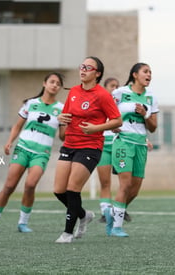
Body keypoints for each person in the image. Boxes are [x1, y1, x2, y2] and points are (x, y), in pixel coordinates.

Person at [0, 72, 66, 233]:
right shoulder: (31, 104)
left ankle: (23, 223)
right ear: (44, 83)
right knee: (9, 186)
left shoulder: (61, 109)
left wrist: (66, 124)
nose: (55, 85)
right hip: (22, 148)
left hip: (41, 153)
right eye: (52, 81)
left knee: (30, 185)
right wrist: (9, 142)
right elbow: (17, 126)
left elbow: (63, 137)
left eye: (58, 83)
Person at [53, 56, 122, 243]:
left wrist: (96, 128)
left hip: (90, 147)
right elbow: (65, 117)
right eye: (81, 66)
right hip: (70, 144)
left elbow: (117, 120)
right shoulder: (74, 91)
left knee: (72, 189)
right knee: (59, 191)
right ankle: (84, 215)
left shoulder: (102, 95)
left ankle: (67, 233)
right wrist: (61, 120)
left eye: (88, 68)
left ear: (97, 74)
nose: (83, 70)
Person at [104, 62, 159, 237]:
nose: (149, 74)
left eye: (150, 72)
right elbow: (106, 113)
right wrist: (109, 125)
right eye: (145, 71)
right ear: (135, 75)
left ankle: (112, 213)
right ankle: (116, 227)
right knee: (125, 184)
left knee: (134, 190)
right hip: (123, 142)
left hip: (141, 145)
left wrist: (144, 114)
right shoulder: (119, 93)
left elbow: (153, 128)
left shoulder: (151, 98)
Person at [97, 77, 120, 222]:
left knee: (126, 182)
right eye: (112, 86)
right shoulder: (99, 102)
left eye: (117, 86)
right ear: (105, 88)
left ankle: (118, 210)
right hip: (103, 146)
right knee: (105, 182)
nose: (115, 88)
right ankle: (105, 213)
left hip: (120, 145)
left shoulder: (122, 104)